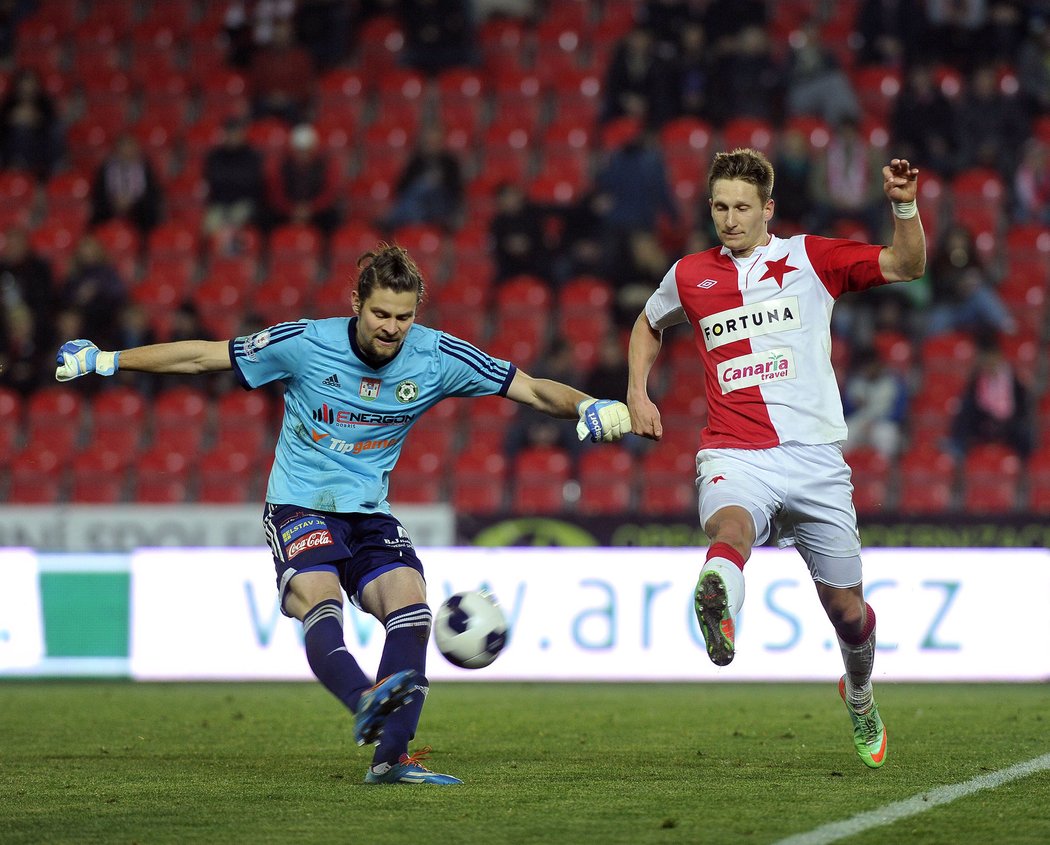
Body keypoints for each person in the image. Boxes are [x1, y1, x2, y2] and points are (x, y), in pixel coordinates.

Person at [54, 243, 631, 785]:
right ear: (356, 303)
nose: (391, 328)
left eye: (403, 317)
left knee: (411, 606)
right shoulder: (304, 342)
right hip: (299, 503)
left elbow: (527, 389)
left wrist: (588, 403)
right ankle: (364, 701)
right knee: (319, 599)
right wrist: (106, 359)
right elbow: (205, 357)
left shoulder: (434, 355)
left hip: (369, 511)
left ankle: (392, 760)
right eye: (381, 313)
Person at [626, 148, 926, 770]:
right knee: (730, 527)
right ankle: (720, 607)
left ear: (768, 209)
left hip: (815, 460)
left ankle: (860, 690)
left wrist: (902, 204)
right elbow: (648, 325)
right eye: (719, 207)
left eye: (742, 207)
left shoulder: (809, 258)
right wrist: (637, 389)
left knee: (848, 614)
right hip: (736, 453)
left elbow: (907, 264)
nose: (730, 220)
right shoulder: (689, 275)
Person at [949, 330, 1033, 460]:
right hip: (985, 422)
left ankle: (1024, 468)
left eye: (989, 358)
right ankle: (958, 447)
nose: (987, 363)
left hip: (1009, 423)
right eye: (984, 359)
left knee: (1024, 433)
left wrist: (1008, 420)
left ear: (997, 356)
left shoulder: (1013, 377)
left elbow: (1021, 405)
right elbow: (974, 405)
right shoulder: (977, 378)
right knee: (965, 407)